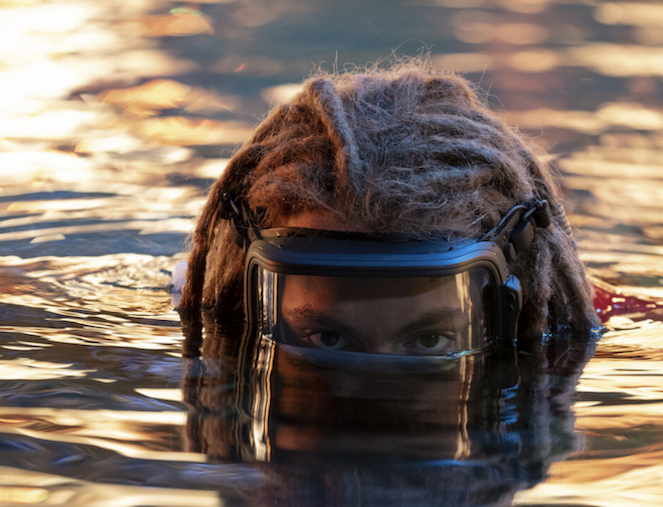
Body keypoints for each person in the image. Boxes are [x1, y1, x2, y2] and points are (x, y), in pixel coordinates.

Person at [179, 62, 600, 353]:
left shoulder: (566, 334)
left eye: (431, 340)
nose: (371, 397)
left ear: (513, 308)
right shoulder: (201, 311)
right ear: (247, 302)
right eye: (327, 337)